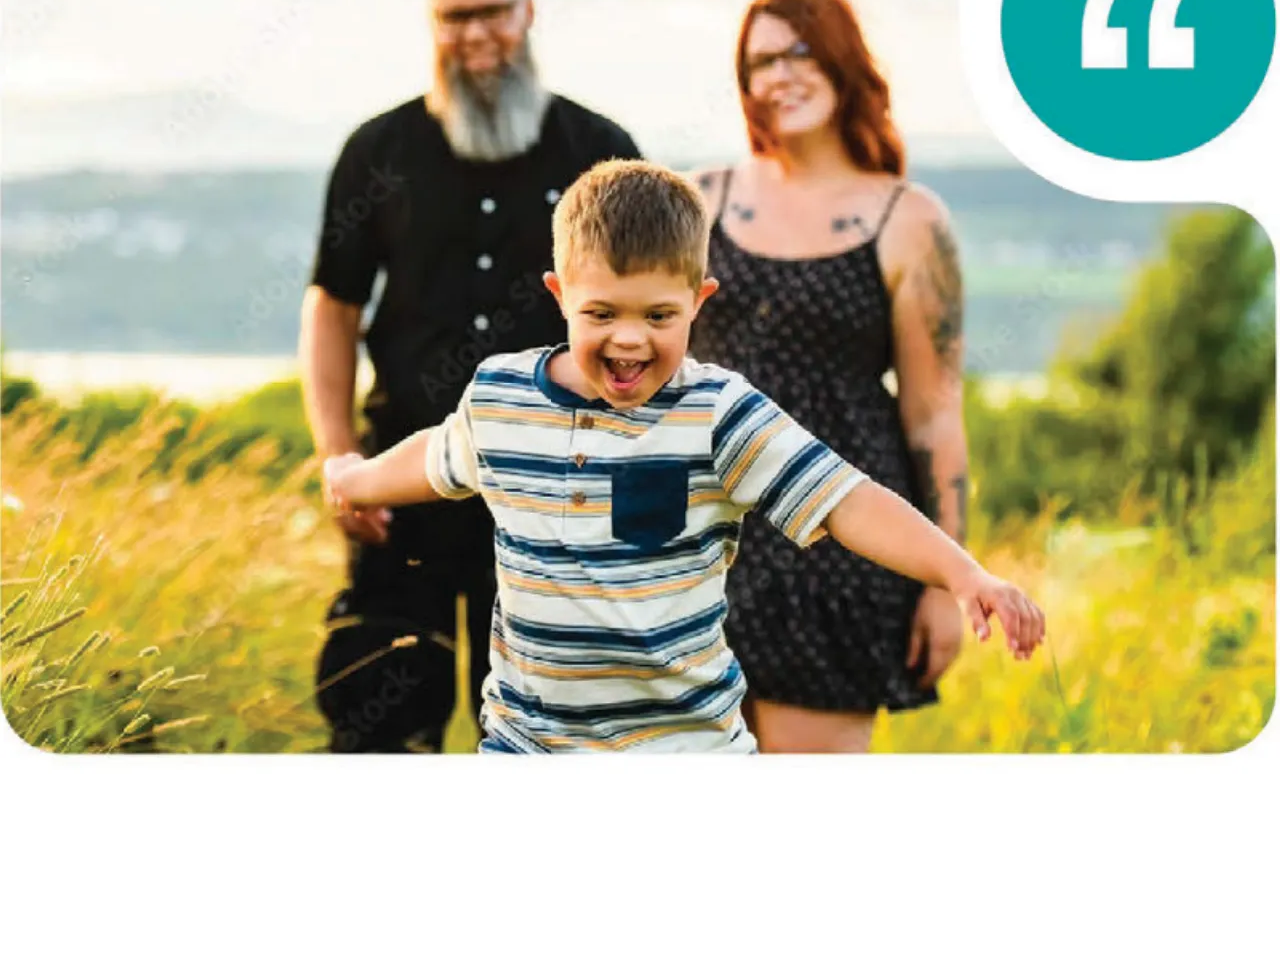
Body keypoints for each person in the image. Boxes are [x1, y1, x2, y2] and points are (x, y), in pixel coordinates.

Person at [321, 160, 1045, 754]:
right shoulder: (503, 396)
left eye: (659, 316)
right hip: (526, 745)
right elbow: (436, 460)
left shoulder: (719, 414)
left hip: (682, 748)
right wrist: (355, 478)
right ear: (560, 293)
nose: (629, 340)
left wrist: (961, 572)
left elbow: (847, 498)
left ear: (699, 301)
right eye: (601, 313)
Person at [298, 0, 642, 753]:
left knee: (545, 743)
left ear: (529, 13)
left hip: (557, 499)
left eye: (494, 11)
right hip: (400, 495)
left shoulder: (601, 150)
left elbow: (644, 327)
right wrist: (338, 459)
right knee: (379, 732)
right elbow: (333, 309)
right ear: (431, 26)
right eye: (456, 17)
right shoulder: (375, 152)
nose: (477, 33)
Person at [686, 0, 972, 752]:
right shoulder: (696, 200)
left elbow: (933, 413)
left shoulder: (908, 220)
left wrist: (945, 584)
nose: (780, 74)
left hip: (836, 547)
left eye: (800, 51)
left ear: (844, 60)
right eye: (761, 61)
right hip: (699, 538)